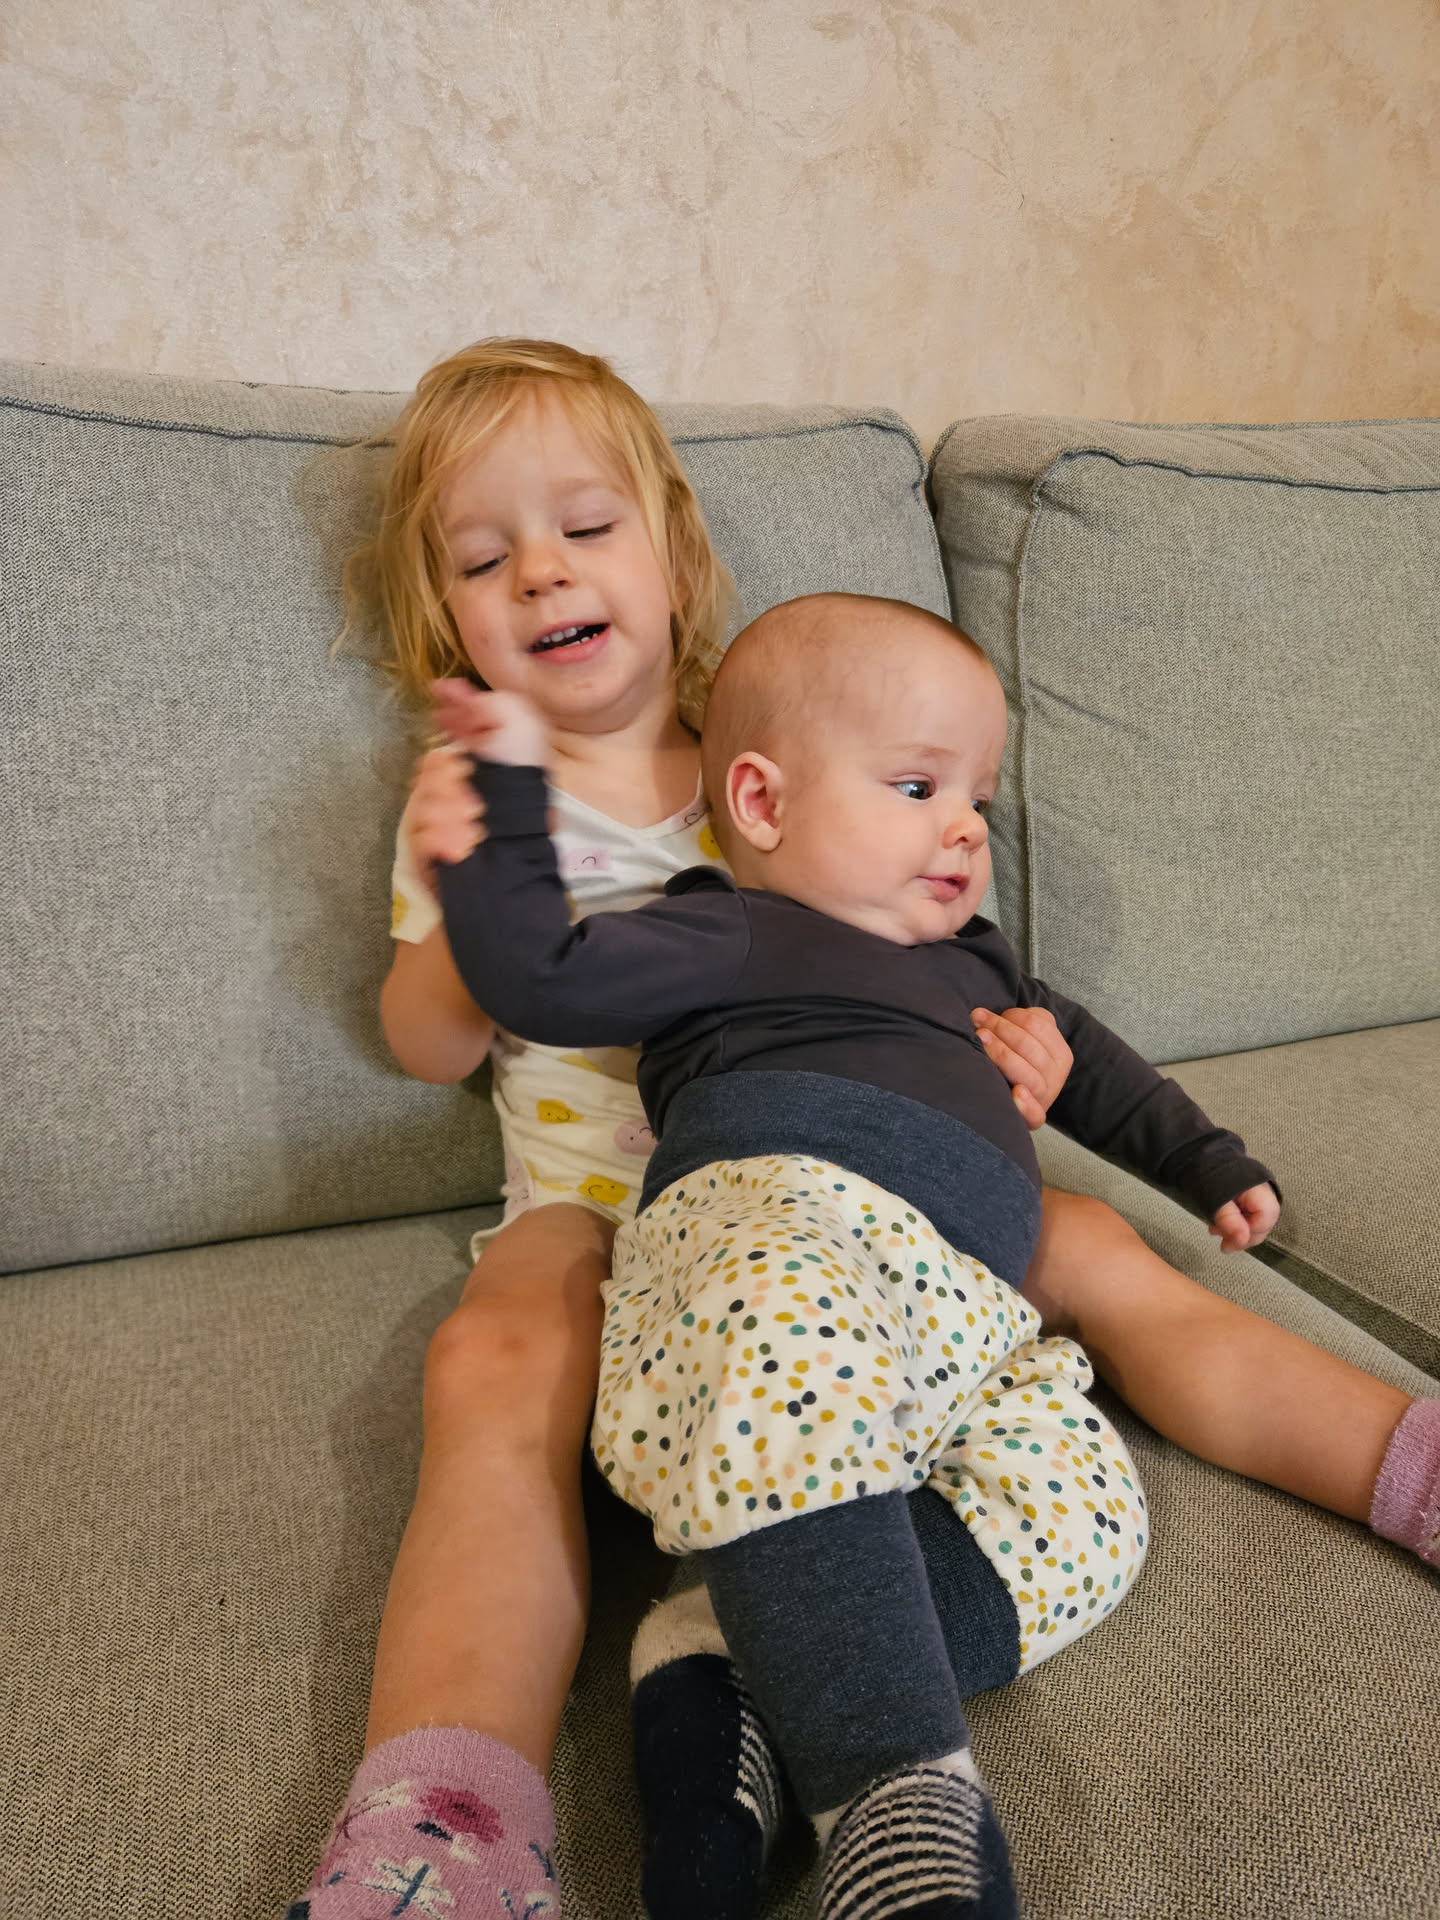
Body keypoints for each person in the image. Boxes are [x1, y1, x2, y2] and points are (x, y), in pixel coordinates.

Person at [292, 342, 1437, 1920]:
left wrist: (1058, 1091)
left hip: (869, 1192)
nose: (541, 569)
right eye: (486, 559)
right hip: (593, 1203)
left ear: (672, 553)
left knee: (1101, 1245)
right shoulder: (481, 796)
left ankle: (1406, 1462)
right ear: (449, 611)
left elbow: (984, 1000)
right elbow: (429, 1044)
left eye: (586, 528)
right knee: (494, 1355)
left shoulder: (820, 760)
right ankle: (441, 1834)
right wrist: (475, 860)